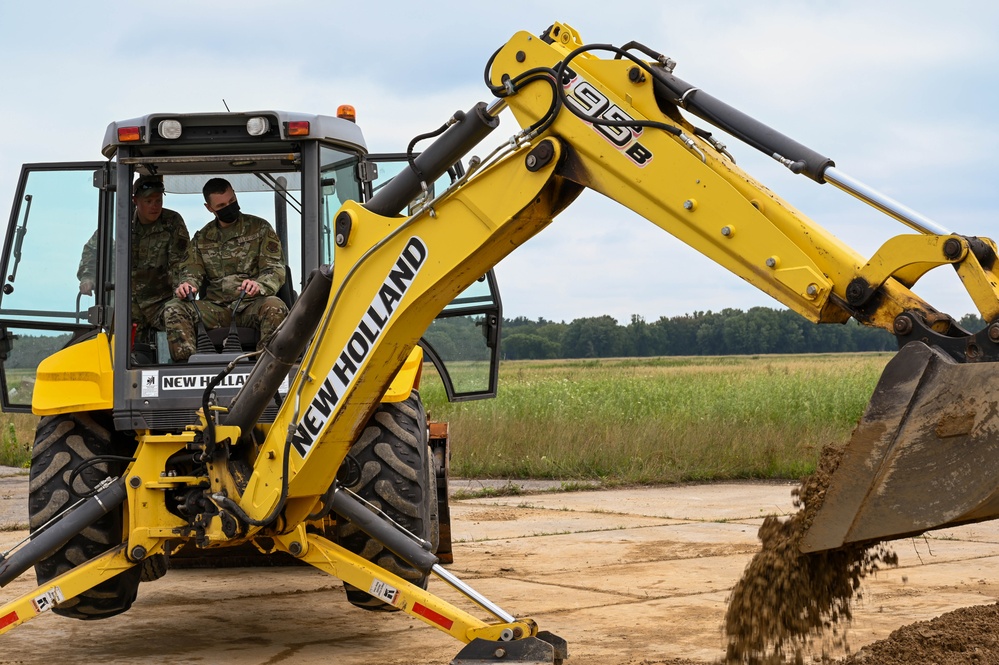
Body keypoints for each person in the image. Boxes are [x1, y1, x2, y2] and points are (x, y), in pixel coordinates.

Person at [163, 177, 288, 362]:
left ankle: (266, 370)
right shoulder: (202, 238)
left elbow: (275, 269)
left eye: (231, 201)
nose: (229, 207)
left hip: (250, 305)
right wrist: (187, 285)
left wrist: (258, 285)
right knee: (173, 309)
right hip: (216, 309)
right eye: (221, 205)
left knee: (275, 307)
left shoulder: (260, 229)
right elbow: (191, 271)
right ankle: (188, 371)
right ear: (209, 208)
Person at [77, 175, 190, 342]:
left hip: (162, 302)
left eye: (158, 201)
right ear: (135, 200)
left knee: (177, 324)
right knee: (116, 348)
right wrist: (88, 277)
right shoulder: (120, 223)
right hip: (126, 303)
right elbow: (94, 250)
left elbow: (181, 262)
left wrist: (181, 292)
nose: (154, 206)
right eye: (148, 201)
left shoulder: (172, 222)